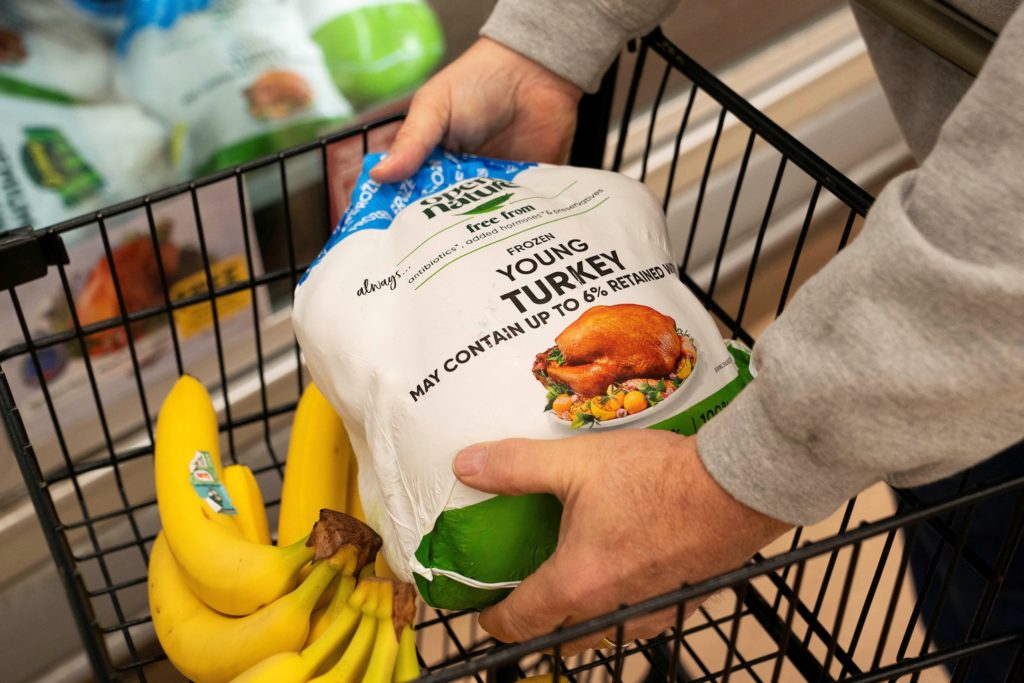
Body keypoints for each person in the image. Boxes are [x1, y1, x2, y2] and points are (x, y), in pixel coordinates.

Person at [371, 0, 1024, 673]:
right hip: (969, 320)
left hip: (985, 290)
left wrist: (717, 488)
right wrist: (548, 38)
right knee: (969, 592)